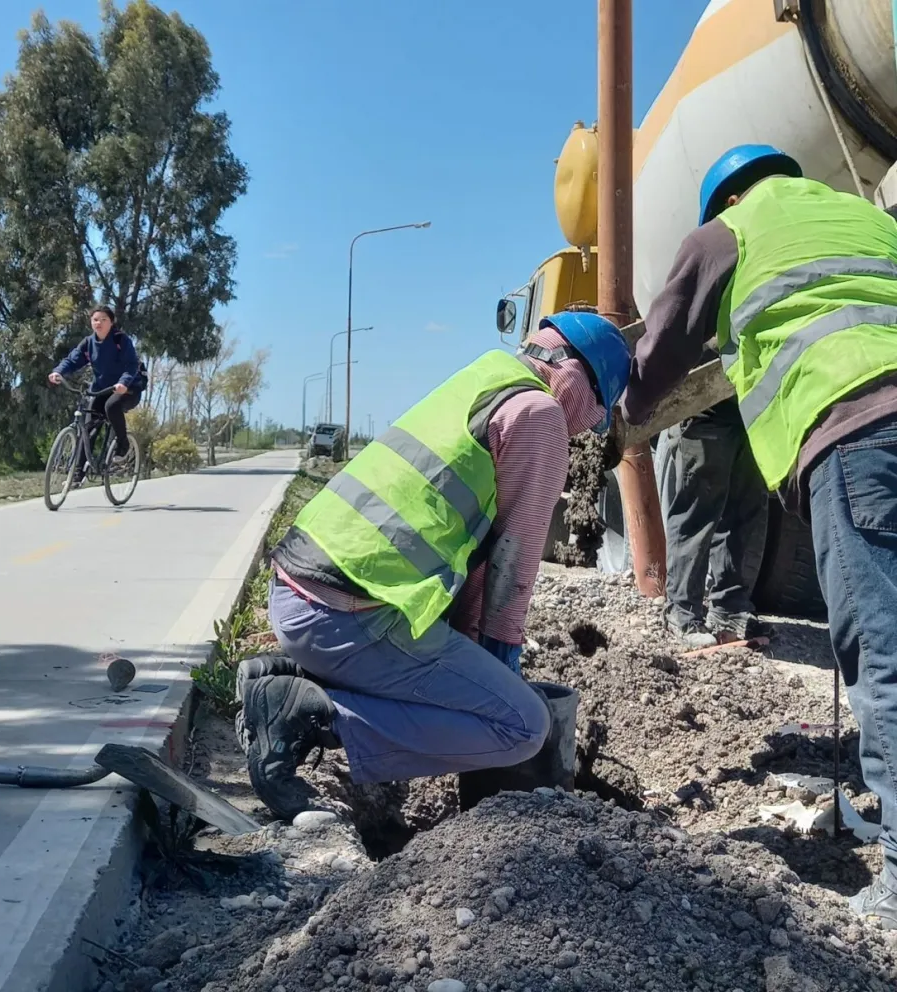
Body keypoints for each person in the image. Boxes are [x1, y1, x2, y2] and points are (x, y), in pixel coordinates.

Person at [619, 143, 897, 928]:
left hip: (855, 428)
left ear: (726, 200)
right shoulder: (864, 218)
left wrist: (614, 417)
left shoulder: (725, 236)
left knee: (883, 655)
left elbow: (658, 357)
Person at [236, 310, 631, 821]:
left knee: (463, 683)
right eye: (595, 414)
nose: (584, 428)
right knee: (522, 727)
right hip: (346, 620)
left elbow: (476, 555)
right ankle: (314, 717)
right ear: (582, 380)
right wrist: (501, 666)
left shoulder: (484, 379)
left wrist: (475, 651)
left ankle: (285, 674)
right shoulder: (539, 415)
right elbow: (514, 564)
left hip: (300, 600)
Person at [655, 395, 772, 649]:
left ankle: (730, 608)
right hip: (704, 405)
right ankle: (682, 612)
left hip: (751, 408)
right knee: (698, 511)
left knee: (746, 508)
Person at [48, 306, 143, 466]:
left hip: (128, 389)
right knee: (88, 429)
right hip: (101, 389)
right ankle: (78, 473)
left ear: (111, 322)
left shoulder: (120, 340)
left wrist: (124, 383)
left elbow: (132, 365)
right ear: (91, 322)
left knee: (111, 406)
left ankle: (123, 444)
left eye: (104, 319)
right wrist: (58, 372)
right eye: (95, 320)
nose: (99, 323)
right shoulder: (88, 343)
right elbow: (72, 360)